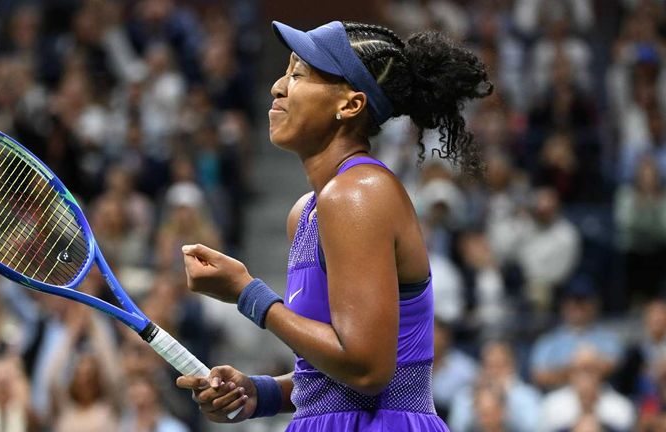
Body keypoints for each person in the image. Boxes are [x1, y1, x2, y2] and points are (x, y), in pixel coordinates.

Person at [175, 19, 491, 431]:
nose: (278, 86)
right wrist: (262, 392)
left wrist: (247, 294)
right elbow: (336, 376)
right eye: (285, 71)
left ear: (350, 105)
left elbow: (367, 369)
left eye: (298, 74)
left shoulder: (358, 195)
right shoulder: (307, 211)